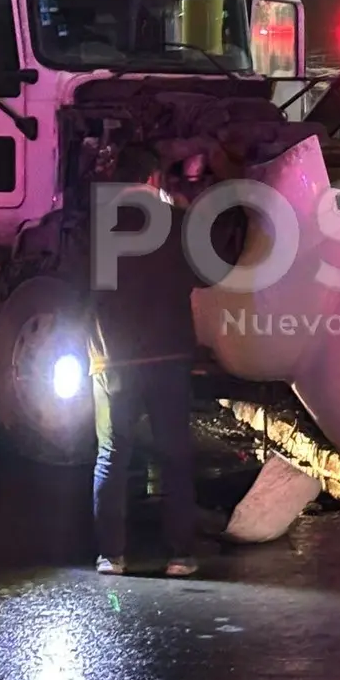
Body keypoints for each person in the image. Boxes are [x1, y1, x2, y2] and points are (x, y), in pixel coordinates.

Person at [88, 147, 202, 578]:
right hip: (168, 354)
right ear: (155, 178)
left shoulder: (97, 223)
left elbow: (84, 290)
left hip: (113, 360)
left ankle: (111, 555)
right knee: (174, 455)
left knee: (112, 455)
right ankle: (180, 556)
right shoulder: (176, 223)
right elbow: (203, 275)